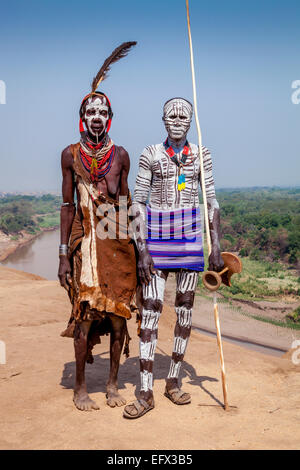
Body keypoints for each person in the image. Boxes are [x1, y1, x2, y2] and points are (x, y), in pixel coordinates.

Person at [123, 97, 223, 419]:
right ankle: (145, 391)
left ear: (191, 121)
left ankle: (173, 380)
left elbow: (211, 201)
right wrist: (142, 250)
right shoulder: (150, 154)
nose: (178, 120)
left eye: (184, 115)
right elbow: (137, 203)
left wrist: (216, 246)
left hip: (190, 241)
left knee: (184, 313)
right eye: (172, 115)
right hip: (156, 241)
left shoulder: (201, 155)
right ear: (163, 119)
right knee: (150, 313)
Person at [59, 42, 137, 411]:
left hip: (115, 238)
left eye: (102, 111)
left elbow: (125, 204)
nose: (96, 116)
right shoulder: (70, 155)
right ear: (82, 117)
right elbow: (67, 205)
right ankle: (79, 389)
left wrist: (140, 250)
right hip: (86, 236)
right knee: (86, 313)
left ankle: (111, 384)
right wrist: (63, 254)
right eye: (90, 111)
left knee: (120, 316)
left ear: (110, 117)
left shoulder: (120, 155)